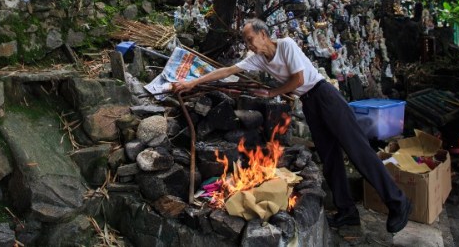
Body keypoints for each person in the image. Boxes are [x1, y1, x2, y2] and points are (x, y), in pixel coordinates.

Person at [172, 18, 412, 233]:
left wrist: (272, 93)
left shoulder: (286, 45)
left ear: (263, 34)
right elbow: (227, 70)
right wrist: (193, 83)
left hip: (325, 96)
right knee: (329, 158)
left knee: (357, 150)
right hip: (309, 103)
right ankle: (347, 212)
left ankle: (398, 202)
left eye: (250, 39)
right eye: (246, 41)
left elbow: (298, 79)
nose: (249, 45)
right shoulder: (257, 59)